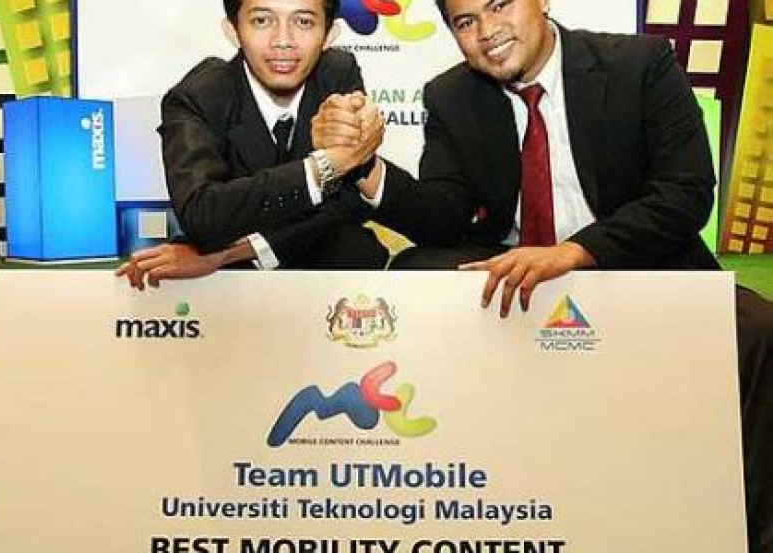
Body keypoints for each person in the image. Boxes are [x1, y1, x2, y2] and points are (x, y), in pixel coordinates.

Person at [311, 0, 773, 550]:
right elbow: (445, 215)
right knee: (415, 275)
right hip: (519, 274)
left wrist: (575, 252)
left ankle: (753, 531)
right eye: (465, 22)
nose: (487, 31)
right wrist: (363, 168)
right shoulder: (450, 95)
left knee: (757, 329)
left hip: (636, 262)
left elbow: (685, 193)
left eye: (499, 5)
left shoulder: (641, 63)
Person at [116, 0, 386, 289]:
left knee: (355, 248)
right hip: (231, 282)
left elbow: (348, 199)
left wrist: (231, 252)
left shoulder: (337, 72)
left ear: (329, 34)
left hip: (316, 256)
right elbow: (203, 215)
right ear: (233, 31)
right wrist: (319, 170)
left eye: (303, 22)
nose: (283, 41)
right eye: (261, 21)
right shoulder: (198, 96)